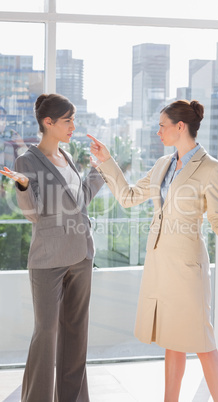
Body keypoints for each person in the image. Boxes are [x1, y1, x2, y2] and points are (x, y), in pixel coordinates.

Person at [88, 99, 218, 402]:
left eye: (162, 126)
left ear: (180, 127)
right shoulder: (162, 165)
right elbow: (128, 197)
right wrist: (107, 161)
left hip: (187, 268)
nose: (158, 132)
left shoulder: (211, 168)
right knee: (173, 339)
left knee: (202, 341)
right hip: (160, 266)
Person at [0, 93, 104, 402]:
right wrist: (21, 187)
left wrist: (99, 171)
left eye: (73, 119)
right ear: (49, 122)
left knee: (76, 335)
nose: (74, 125)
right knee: (45, 335)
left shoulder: (68, 157)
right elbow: (33, 214)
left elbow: (80, 200)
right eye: (68, 120)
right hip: (48, 261)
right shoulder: (26, 161)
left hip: (82, 255)